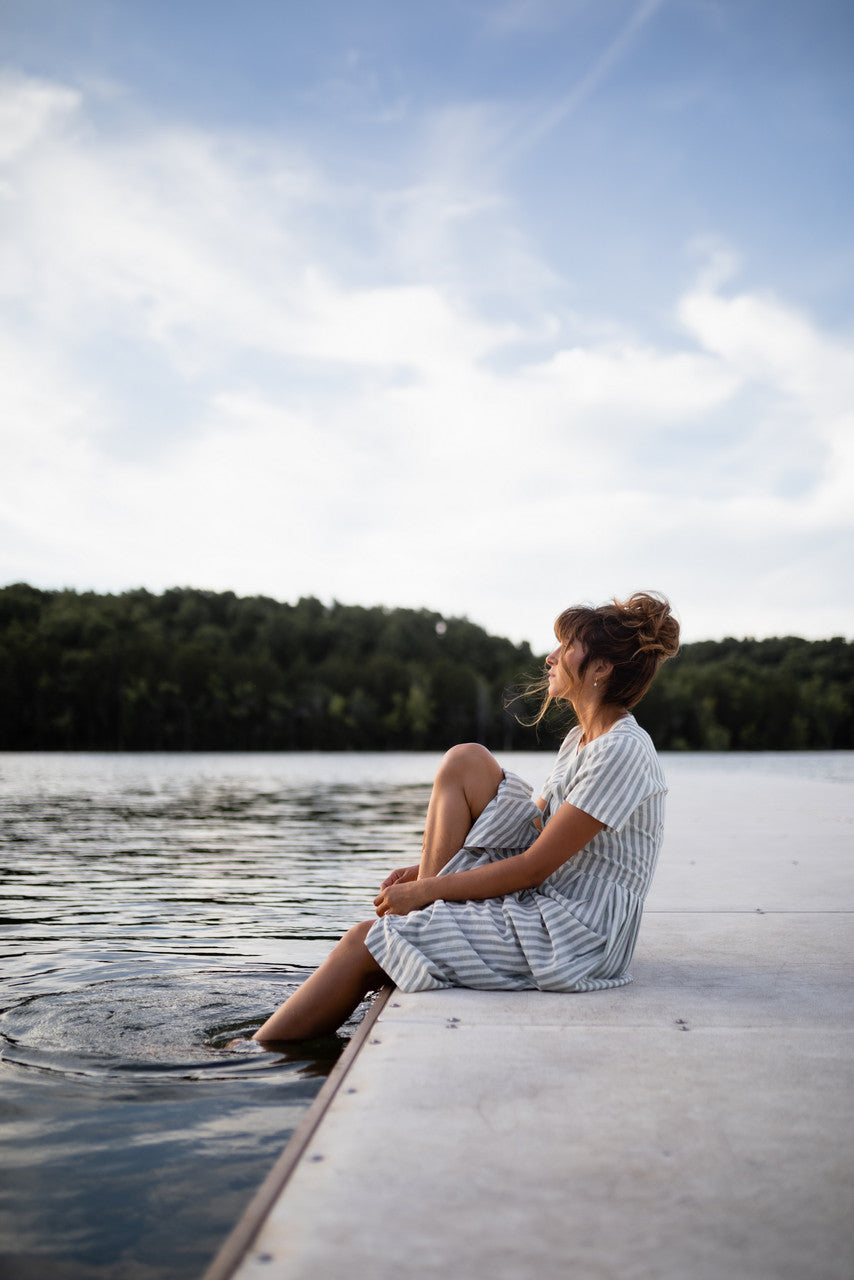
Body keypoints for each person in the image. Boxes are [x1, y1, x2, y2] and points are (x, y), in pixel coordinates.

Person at [250, 591, 680, 1043]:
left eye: (566, 647)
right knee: (466, 760)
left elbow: (534, 867)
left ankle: (251, 1056)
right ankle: (419, 931)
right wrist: (422, 875)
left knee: (364, 941)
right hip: (550, 902)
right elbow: (530, 836)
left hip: (578, 936)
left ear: (600, 668)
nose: (550, 657)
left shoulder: (623, 749)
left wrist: (426, 891)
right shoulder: (580, 740)